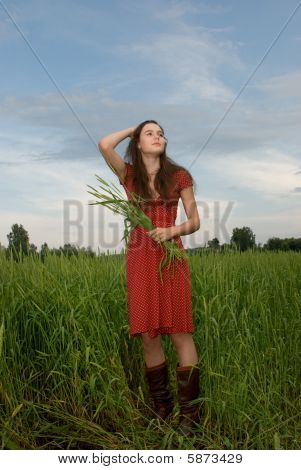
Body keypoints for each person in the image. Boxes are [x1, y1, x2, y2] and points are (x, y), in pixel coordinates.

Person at [98, 120, 201, 435]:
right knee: (148, 336)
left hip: (171, 256)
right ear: (138, 143)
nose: (159, 136)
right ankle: (162, 411)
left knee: (181, 332)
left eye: (161, 133)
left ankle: (190, 418)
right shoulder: (128, 176)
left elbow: (195, 220)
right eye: (150, 133)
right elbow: (104, 144)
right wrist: (132, 128)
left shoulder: (179, 176)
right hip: (141, 257)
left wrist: (171, 230)